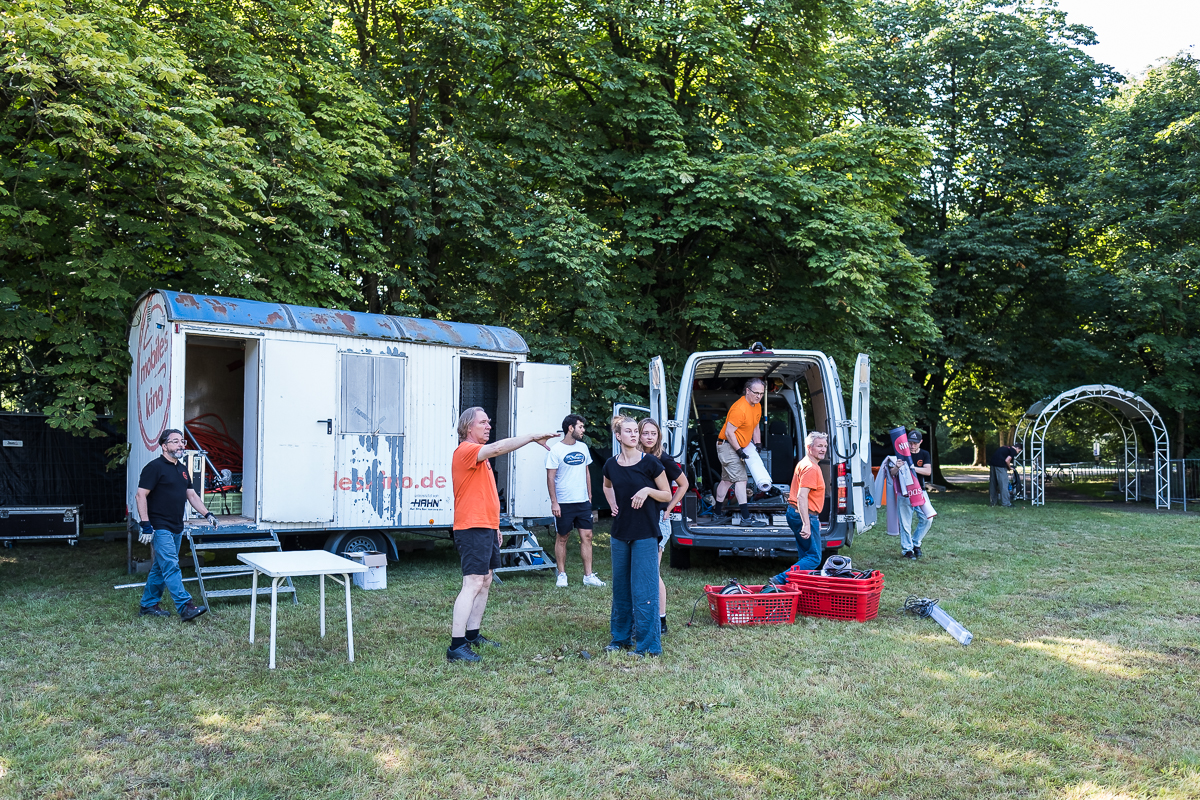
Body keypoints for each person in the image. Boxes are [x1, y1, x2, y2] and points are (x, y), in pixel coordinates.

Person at [447, 407, 557, 663]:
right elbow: (498, 448)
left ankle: (472, 635)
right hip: (472, 527)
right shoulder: (466, 451)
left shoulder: (480, 459)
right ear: (468, 428)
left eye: (489, 422)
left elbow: (483, 495)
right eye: (483, 422)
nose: (488, 426)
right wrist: (531, 437)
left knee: (485, 580)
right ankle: (456, 646)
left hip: (485, 526)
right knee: (472, 583)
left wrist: (495, 526)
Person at [602, 415, 672, 657]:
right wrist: (612, 505)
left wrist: (647, 490)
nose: (634, 435)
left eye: (636, 431)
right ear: (618, 436)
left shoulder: (650, 462)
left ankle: (648, 646)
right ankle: (620, 639)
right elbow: (607, 486)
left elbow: (666, 494)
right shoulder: (611, 464)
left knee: (645, 591)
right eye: (628, 431)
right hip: (620, 534)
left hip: (645, 534)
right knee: (621, 589)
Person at [134, 429, 217, 621]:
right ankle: (185, 606)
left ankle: (147, 605)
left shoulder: (181, 468)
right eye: (175, 442)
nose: (181, 445)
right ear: (164, 446)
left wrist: (207, 514)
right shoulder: (154, 467)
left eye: (182, 441)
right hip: (159, 526)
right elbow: (140, 495)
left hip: (176, 526)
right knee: (171, 565)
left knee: (160, 568)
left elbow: (192, 495)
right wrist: (146, 524)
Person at [638, 418, 689, 636]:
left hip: (658, 518)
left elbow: (684, 484)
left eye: (653, 433)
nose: (649, 437)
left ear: (659, 436)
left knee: (652, 571)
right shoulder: (633, 458)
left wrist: (669, 509)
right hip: (638, 518)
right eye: (645, 433)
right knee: (640, 571)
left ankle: (661, 620)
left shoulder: (663, 459)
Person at [545, 413, 604, 588]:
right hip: (563, 502)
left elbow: (586, 472)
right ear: (570, 428)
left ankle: (588, 576)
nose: (583, 430)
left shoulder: (583, 447)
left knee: (587, 536)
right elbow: (550, 477)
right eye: (580, 427)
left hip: (582, 501)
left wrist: (590, 494)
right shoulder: (556, 450)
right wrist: (554, 502)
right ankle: (562, 575)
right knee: (563, 537)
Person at [768, 432, 828, 585]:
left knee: (805, 556)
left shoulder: (805, 463)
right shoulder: (811, 468)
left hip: (799, 513)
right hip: (803, 514)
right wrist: (807, 523)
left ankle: (798, 587)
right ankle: (781, 580)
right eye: (819, 446)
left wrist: (815, 518)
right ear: (809, 447)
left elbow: (810, 497)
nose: (823, 449)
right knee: (814, 558)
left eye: (825, 446)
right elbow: (802, 496)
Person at [714, 378, 766, 527]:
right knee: (741, 480)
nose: (759, 396)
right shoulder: (739, 408)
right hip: (728, 445)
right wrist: (739, 451)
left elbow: (755, 427)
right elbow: (730, 433)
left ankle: (717, 514)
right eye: (756, 393)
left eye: (761, 394)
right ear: (747, 391)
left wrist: (758, 444)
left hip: (736, 446)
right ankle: (746, 519)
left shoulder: (757, 406)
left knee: (726, 481)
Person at [905, 429, 933, 559]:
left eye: (915, 443)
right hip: (905, 491)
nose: (912, 445)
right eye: (910, 442)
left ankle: (915, 543)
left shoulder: (924, 454)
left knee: (928, 518)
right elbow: (893, 472)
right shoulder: (903, 454)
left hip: (920, 490)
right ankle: (907, 550)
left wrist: (913, 468)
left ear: (920, 442)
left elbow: (928, 472)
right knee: (906, 521)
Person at [988, 443, 1022, 507]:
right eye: (1019, 451)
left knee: (993, 484)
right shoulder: (1013, 451)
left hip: (992, 464)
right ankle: (1006, 503)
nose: (1017, 452)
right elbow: (1007, 460)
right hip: (1000, 466)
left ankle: (993, 502)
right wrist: (1009, 467)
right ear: (1018, 448)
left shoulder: (1005, 447)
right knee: (1004, 484)